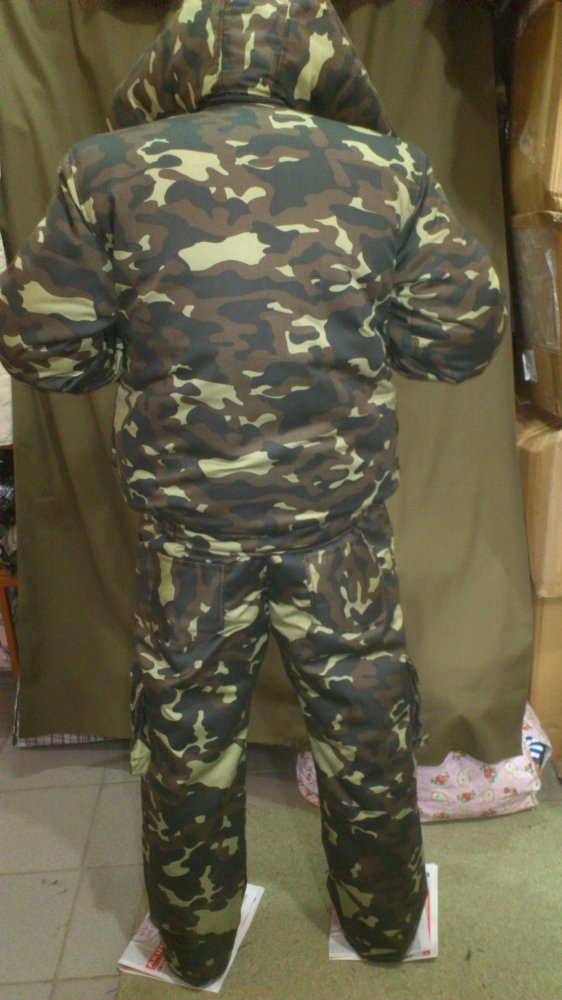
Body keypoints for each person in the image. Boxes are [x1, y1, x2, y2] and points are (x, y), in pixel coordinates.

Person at [0, 0, 505, 986]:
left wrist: (143, 360)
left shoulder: (104, 168)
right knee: (365, 721)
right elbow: (462, 338)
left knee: (187, 734)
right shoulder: (386, 167)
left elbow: (40, 346)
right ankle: (383, 928)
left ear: (178, 58)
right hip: (338, 526)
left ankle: (194, 948)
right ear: (319, 58)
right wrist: (363, 343)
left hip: (187, 531)